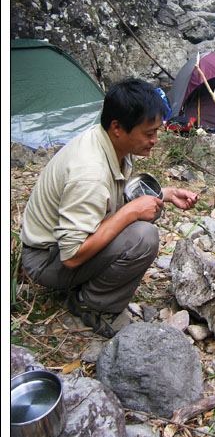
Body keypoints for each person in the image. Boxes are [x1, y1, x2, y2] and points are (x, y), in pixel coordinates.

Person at [20, 78, 199, 338]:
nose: (155, 140)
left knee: (150, 207)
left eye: (157, 131)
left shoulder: (106, 141)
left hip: (60, 247)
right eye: (149, 133)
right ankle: (91, 304)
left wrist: (167, 194)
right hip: (47, 258)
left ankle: (90, 287)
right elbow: (71, 256)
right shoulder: (89, 172)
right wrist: (131, 212)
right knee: (143, 237)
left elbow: (113, 192)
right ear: (117, 127)